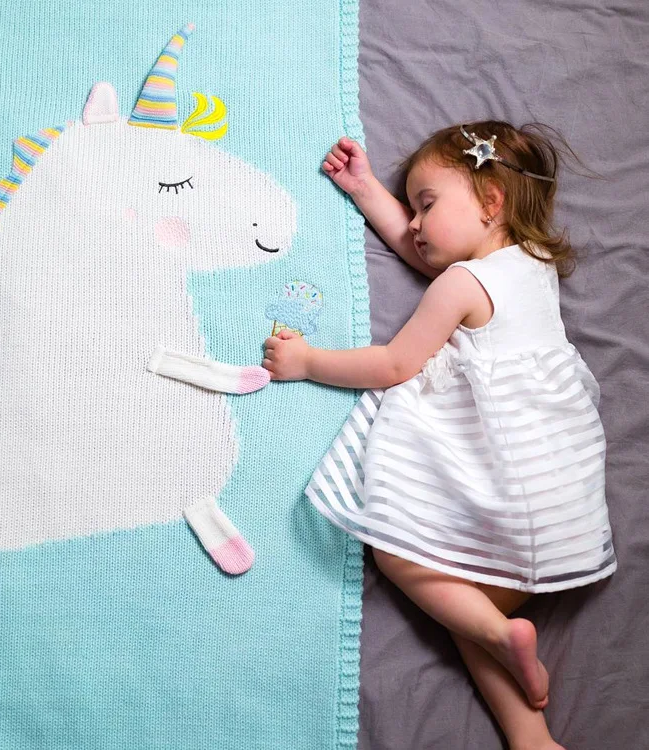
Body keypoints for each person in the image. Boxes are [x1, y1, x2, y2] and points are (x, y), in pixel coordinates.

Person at [262, 121, 616, 750]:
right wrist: (365, 189)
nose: (416, 225)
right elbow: (424, 249)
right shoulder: (533, 268)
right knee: (467, 607)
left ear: (490, 202)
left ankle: (502, 637)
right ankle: (531, 736)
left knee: (399, 555)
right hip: (560, 488)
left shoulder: (461, 283)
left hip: (502, 476)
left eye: (426, 205)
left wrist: (308, 361)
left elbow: (395, 363)